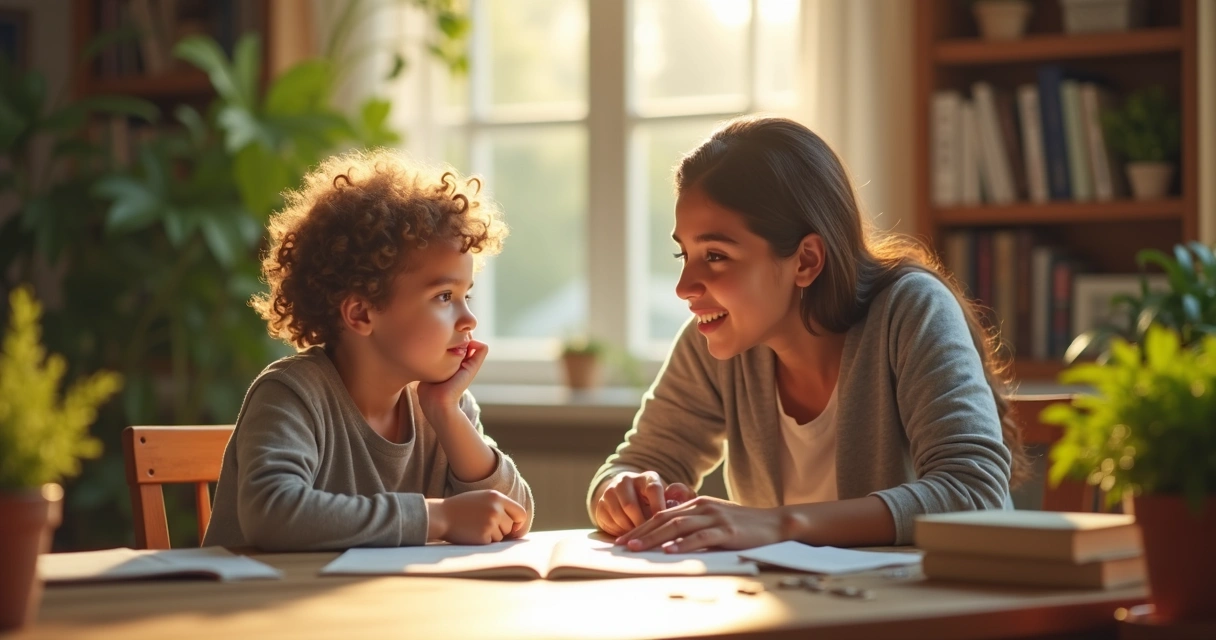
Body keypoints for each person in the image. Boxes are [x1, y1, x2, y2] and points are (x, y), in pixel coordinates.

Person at [589, 116, 1029, 553]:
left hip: (941, 593)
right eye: (683, 254)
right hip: (806, 595)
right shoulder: (714, 340)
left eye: (716, 255)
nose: (684, 287)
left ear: (806, 261)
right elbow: (638, 463)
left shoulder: (911, 310)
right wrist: (623, 492)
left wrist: (779, 524)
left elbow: (973, 491)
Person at [203, 149, 533, 550]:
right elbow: (272, 514)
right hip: (257, 592)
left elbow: (514, 516)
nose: (469, 319)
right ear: (360, 313)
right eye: (445, 296)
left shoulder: (444, 405)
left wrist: (447, 412)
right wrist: (439, 517)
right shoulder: (293, 394)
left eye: (467, 295)